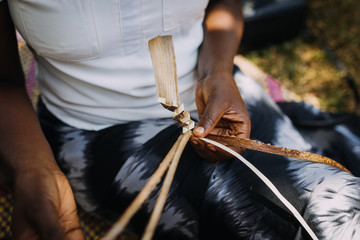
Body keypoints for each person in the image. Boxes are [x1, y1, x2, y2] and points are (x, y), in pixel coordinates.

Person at [0, 0, 359, 239]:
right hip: (100, 134)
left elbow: (224, 3)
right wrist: (34, 168)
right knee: (329, 208)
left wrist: (217, 70)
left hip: (217, 96)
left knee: (339, 160)